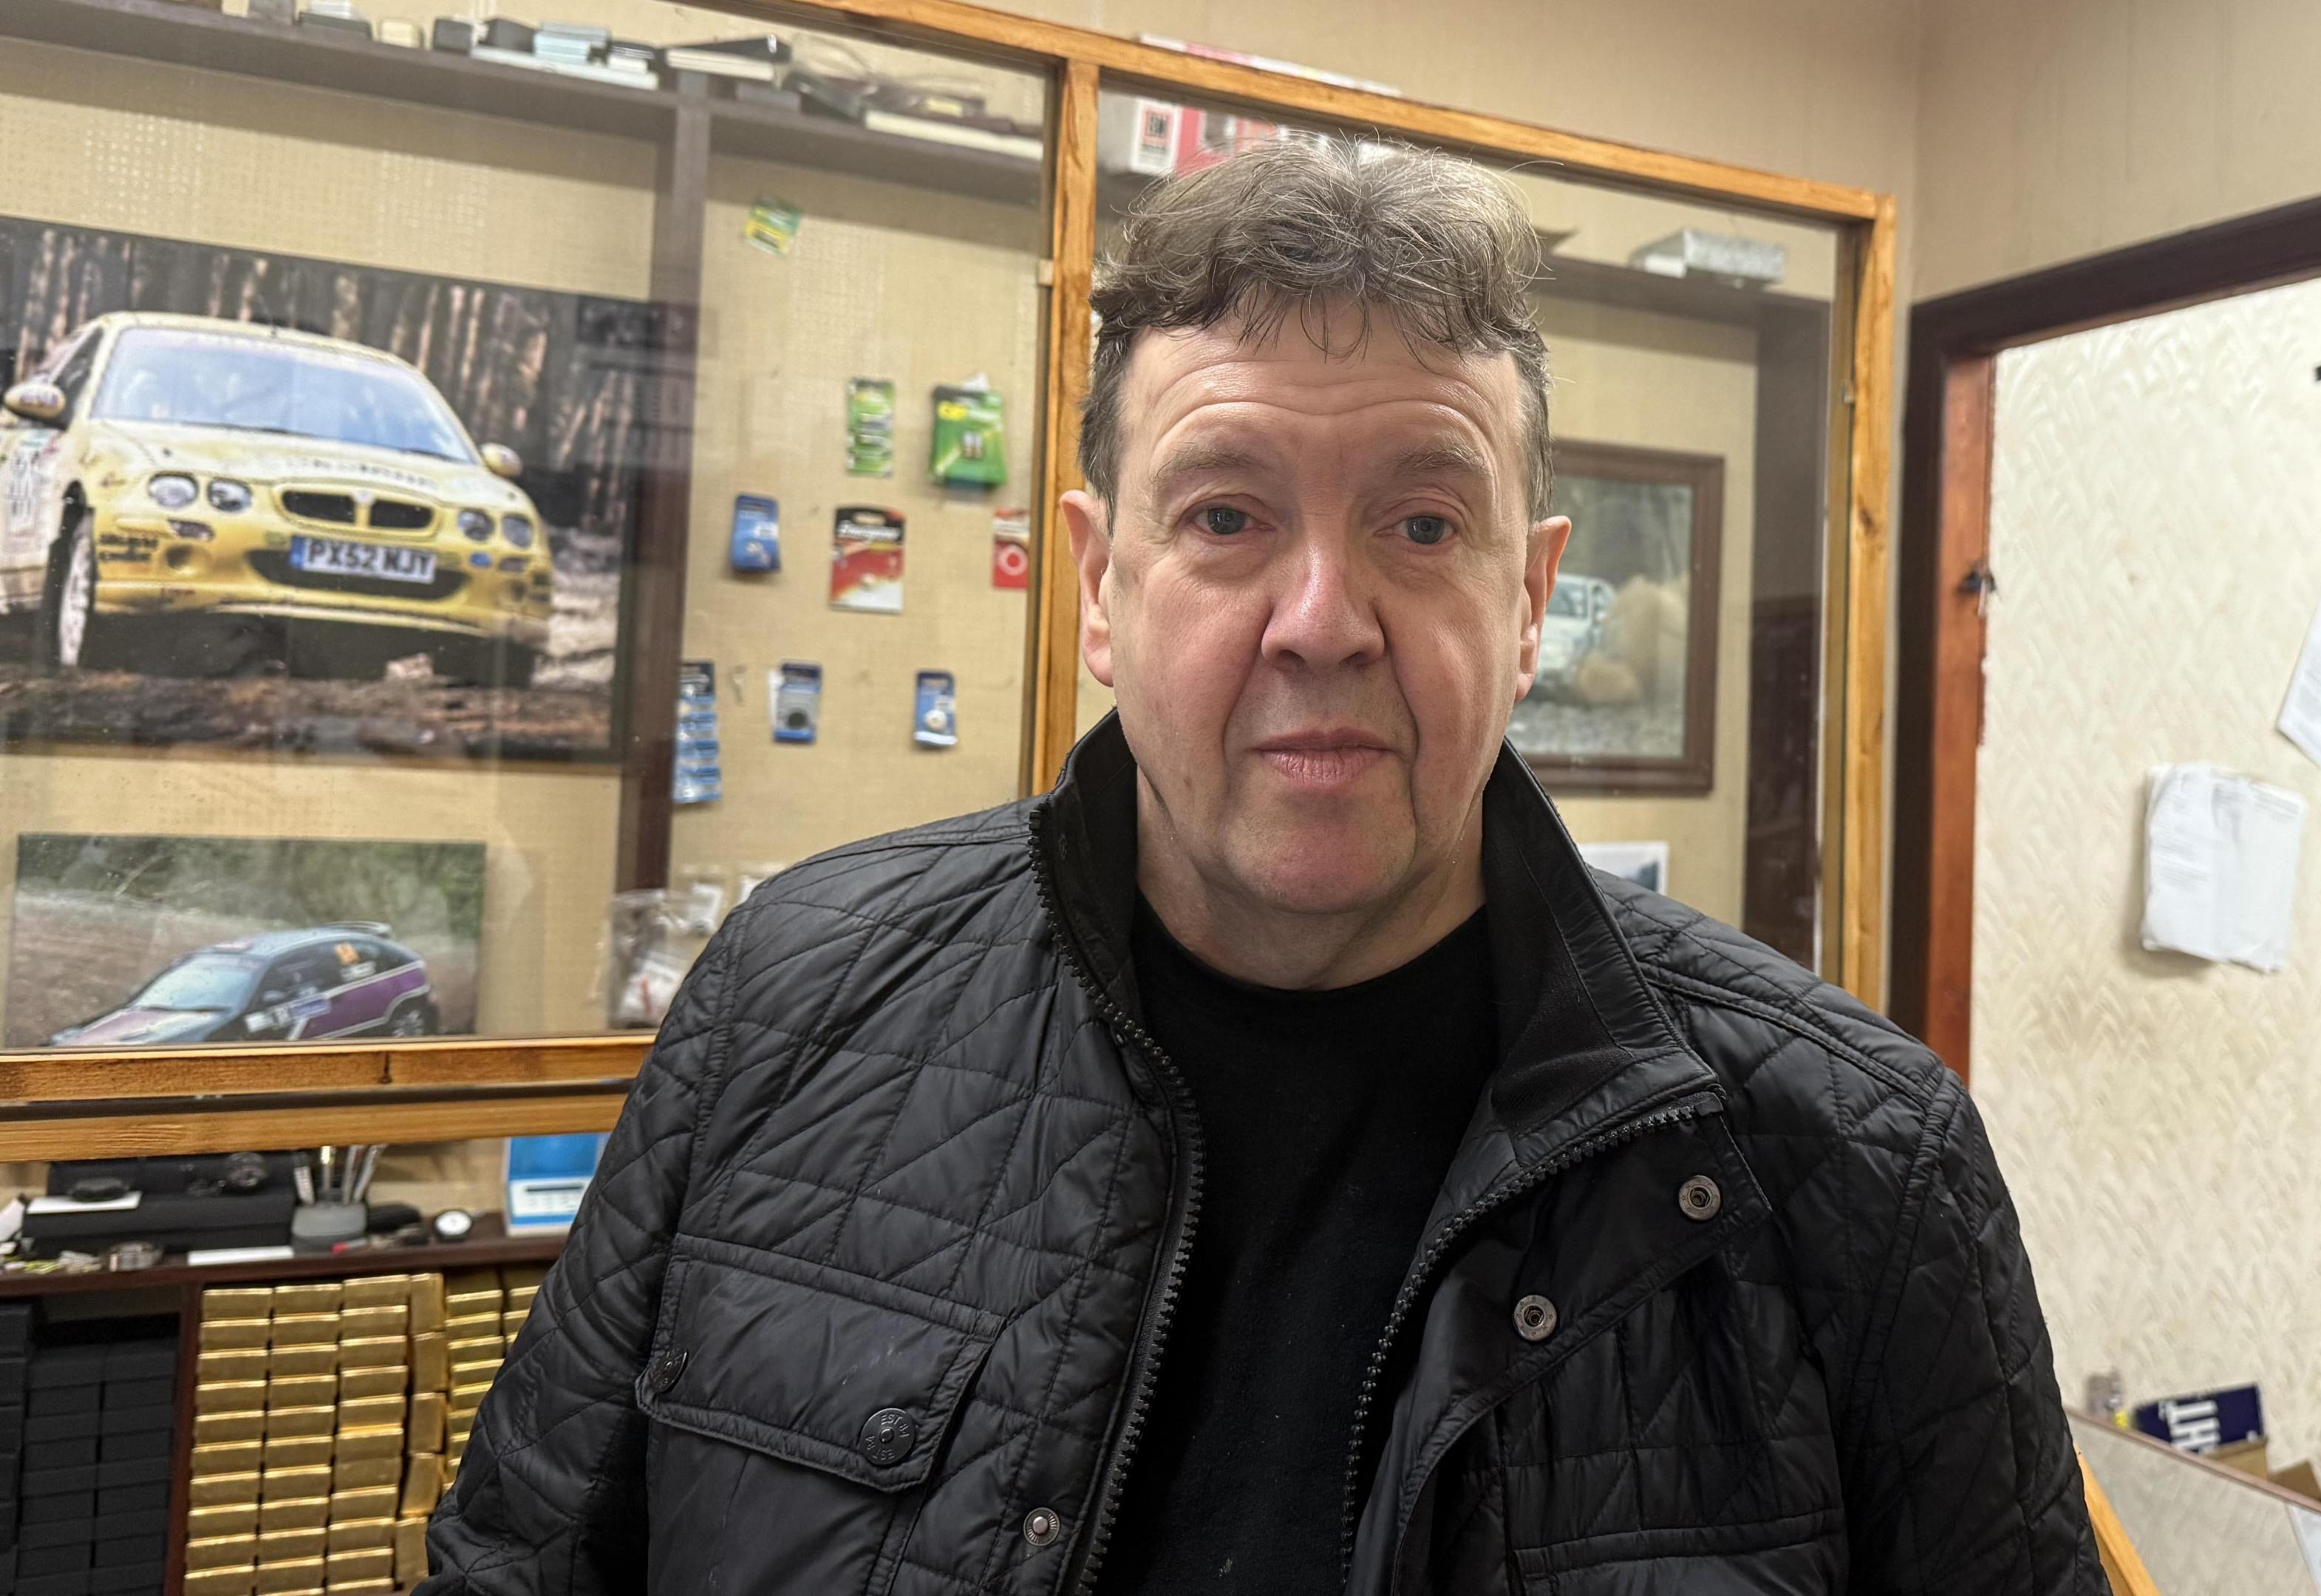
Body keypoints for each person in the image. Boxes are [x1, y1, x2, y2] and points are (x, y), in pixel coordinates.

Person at [423, 139, 2105, 1596]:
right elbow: (519, 1562)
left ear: (1531, 603)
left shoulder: (1860, 1173)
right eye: (1227, 516)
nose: (1325, 620)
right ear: (1099, 584)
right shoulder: (791, 1004)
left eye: (1423, 524)